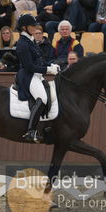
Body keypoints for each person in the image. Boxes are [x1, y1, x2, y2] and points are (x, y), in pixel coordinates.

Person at [15, 14, 60, 143]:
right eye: (32, 25)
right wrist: (47, 70)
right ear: (24, 28)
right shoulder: (22, 44)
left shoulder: (30, 40)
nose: (35, 27)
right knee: (43, 98)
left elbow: (39, 59)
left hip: (37, 74)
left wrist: (50, 65)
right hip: (28, 76)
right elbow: (29, 66)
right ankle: (30, 131)